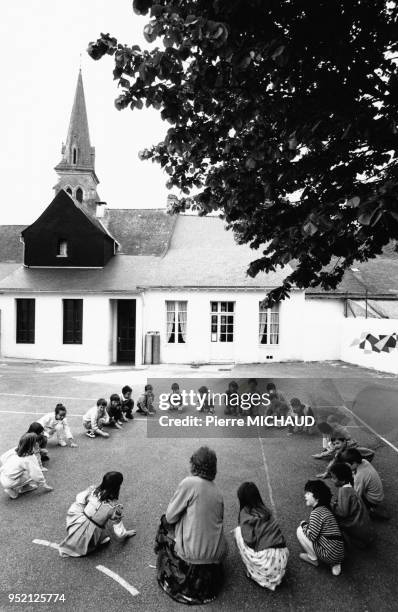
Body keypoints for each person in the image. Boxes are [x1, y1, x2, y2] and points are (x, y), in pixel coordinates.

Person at [155, 446, 227, 605]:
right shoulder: (218, 492)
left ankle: (166, 554)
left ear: (194, 465)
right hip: (216, 556)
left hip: (192, 554)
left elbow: (170, 516)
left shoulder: (190, 483)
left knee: (164, 523)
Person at [58, 471, 136, 557]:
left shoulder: (93, 490)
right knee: (104, 538)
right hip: (93, 530)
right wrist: (125, 534)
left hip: (79, 521)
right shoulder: (114, 508)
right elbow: (118, 530)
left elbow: (80, 499)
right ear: (117, 486)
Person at [234, 482, 289, 590]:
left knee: (237, 532)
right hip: (282, 556)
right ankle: (272, 576)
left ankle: (255, 574)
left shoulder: (245, 513)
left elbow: (249, 540)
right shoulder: (265, 509)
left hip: (267, 562)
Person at [297, 479, 344, 576]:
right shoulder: (326, 510)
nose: (305, 496)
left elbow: (312, 536)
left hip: (328, 554)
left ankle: (312, 559)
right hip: (339, 553)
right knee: (324, 535)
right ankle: (335, 564)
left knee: (300, 530)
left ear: (317, 497)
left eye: (308, 493)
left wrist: (303, 524)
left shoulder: (316, 512)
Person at [329, 463, 375, 548]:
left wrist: (331, 505)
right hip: (365, 529)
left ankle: (349, 540)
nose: (332, 480)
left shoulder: (344, 491)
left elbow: (342, 513)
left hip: (358, 532)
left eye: (334, 478)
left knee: (331, 519)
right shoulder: (350, 487)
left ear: (342, 480)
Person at [0, 433, 53, 499]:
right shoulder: (29, 458)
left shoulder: (15, 449)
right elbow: (36, 474)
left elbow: (2, 458)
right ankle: (14, 490)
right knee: (31, 472)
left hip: (3, 475)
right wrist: (44, 484)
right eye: (36, 442)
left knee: (25, 469)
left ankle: (18, 488)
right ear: (33, 444)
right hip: (10, 481)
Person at [341, 448, 387, 519]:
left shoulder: (360, 475)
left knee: (352, 496)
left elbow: (357, 495)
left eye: (347, 465)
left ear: (354, 463)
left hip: (373, 500)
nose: (346, 467)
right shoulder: (364, 461)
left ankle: (369, 510)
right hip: (379, 496)